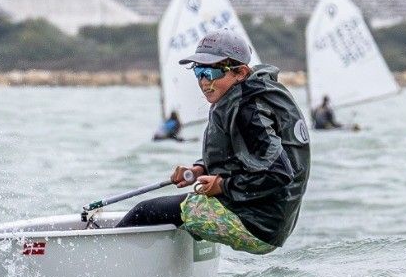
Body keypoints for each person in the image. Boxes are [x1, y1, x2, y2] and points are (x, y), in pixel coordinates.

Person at [116, 30, 311, 256]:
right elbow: (245, 156)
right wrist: (200, 169)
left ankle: (108, 269)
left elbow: (279, 174)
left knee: (145, 211)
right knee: (170, 210)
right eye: (198, 72)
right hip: (264, 219)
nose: (204, 82)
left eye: (211, 72)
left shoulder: (248, 111)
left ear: (240, 72)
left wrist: (223, 185)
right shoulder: (244, 97)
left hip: (256, 224)